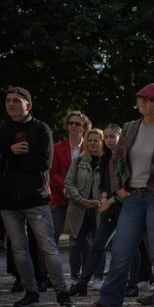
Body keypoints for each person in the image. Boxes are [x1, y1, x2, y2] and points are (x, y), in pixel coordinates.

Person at [81, 82, 154, 307]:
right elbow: (114, 160)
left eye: (150, 99)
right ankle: (109, 302)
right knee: (121, 250)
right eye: (141, 98)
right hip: (133, 197)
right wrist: (118, 189)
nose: (143, 102)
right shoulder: (130, 127)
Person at [0, 87, 74, 307]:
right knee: (19, 248)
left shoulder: (41, 129)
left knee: (48, 246)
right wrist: (10, 152)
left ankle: (62, 293)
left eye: (16, 100)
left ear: (28, 105)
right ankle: (30, 291)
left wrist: (12, 161)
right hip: (8, 199)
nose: (11, 104)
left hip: (35, 197)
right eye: (8, 100)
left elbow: (43, 163)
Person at [62, 127, 106, 289]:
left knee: (99, 244)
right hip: (78, 208)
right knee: (75, 245)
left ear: (102, 142)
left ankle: (98, 278)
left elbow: (112, 185)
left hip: (100, 209)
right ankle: (75, 277)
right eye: (90, 140)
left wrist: (98, 201)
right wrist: (81, 199)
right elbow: (69, 183)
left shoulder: (108, 162)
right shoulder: (79, 161)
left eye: (96, 140)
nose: (93, 143)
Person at [50, 110, 91, 278]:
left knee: (82, 240)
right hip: (61, 198)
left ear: (84, 127)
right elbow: (53, 172)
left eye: (78, 123)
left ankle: (85, 274)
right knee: (52, 237)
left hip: (82, 200)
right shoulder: (58, 148)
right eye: (71, 123)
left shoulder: (90, 148)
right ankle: (51, 275)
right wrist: (67, 189)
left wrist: (79, 194)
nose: (73, 126)